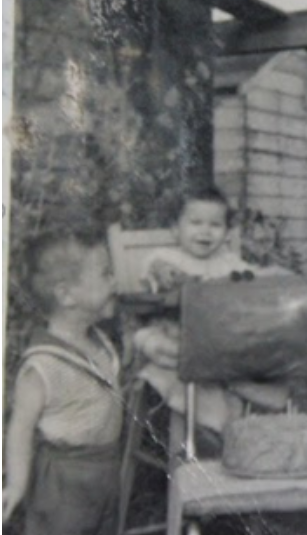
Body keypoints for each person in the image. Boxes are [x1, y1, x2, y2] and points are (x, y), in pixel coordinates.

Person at [133, 186, 289, 440]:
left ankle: (232, 429)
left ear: (227, 233)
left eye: (215, 225)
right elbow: (156, 271)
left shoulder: (228, 262)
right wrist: (166, 274)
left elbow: (252, 278)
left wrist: (272, 276)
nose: (205, 231)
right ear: (176, 229)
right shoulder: (166, 256)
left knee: (259, 349)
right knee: (163, 349)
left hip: (218, 343)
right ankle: (192, 447)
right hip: (177, 338)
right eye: (195, 222)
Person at [3, 231, 123, 535]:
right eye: (106, 274)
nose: (115, 282)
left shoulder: (99, 342)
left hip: (105, 469)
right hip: (64, 481)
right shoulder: (44, 364)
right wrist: (16, 483)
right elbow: (20, 429)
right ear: (66, 295)